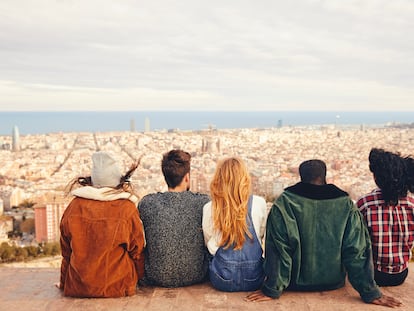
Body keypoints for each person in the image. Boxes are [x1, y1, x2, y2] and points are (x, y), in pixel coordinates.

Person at [247, 159, 401, 308]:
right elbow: (356, 250)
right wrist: (371, 292)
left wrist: (272, 289)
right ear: (324, 176)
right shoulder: (345, 204)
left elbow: (279, 250)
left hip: (294, 283)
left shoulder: (285, 203)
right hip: (333, 282)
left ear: (301, 177)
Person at [58, 151, 145, 298]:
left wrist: (63, 283)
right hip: (118, 286)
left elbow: (66, 252)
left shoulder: (74, 207)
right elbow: (137, 251)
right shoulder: (126, 208)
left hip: (78, 287)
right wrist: (139, 279)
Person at [138, 149, 210, 287]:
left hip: (156, 275)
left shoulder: (147, 203)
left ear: (165, 177)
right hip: (197, 274)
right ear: (187, 177)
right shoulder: (203, 203)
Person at [202, 157, 267, 292]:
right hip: (254, 278)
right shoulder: (259, 203)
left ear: (218, 179)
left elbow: (209, 243)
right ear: (245, 179)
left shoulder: (210, 207)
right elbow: (260, 235)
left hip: (221, 279)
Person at [357, 148, 414, 286]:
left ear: (377, 178)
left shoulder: (365, 203)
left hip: (373, 273)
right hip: (401, 274)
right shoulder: (411, 205)